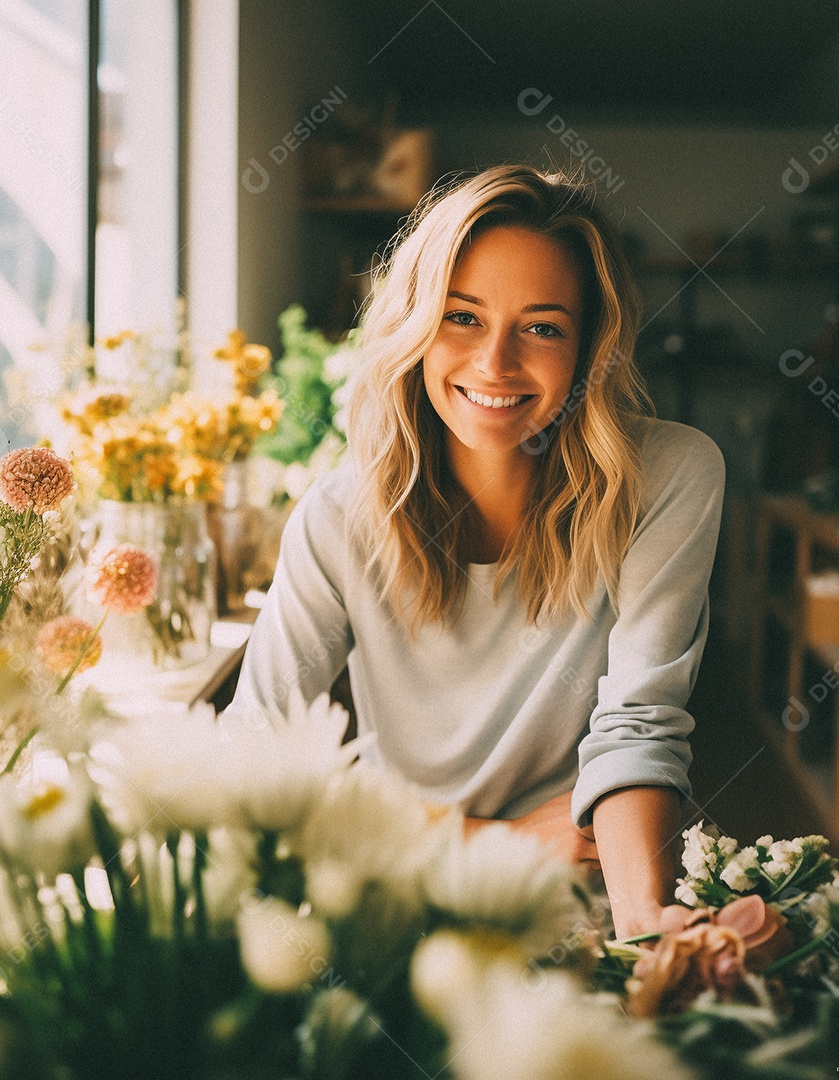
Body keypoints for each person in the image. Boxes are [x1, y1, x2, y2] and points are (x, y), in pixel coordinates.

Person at [223, 164, 725, 939]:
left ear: (591, 348)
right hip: (397, 884)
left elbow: (641, 726)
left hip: (578, 888)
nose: (496, 363)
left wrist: (651, 933)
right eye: (463, 316)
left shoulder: (670, 477)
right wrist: (499, 841)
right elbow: (257, 757)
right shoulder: (338, 517)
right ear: (415, 324)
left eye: (542, 326)